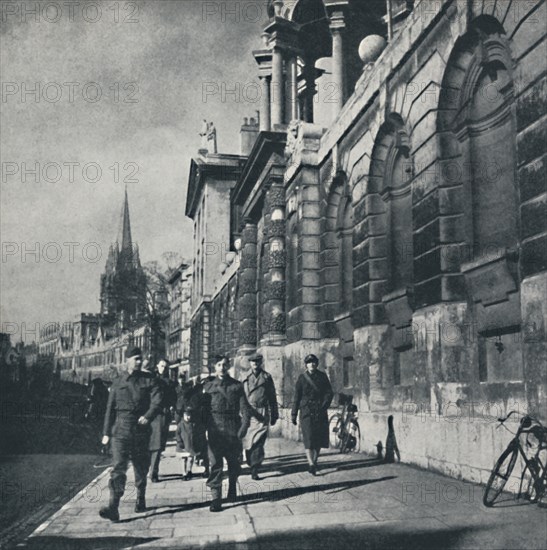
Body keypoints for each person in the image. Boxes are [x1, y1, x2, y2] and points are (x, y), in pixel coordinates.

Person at [99, 347, 162, 521]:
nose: (140, 362)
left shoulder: (150, 381)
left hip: (140, 430)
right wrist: (106, 432)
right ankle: (114, 506)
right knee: (118, 468)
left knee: (141, 467)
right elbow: (109, 409)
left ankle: (140, 497)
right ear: (127, 360)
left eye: (141, 359)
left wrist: (148, 416)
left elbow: (157, 402)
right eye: (136, 359)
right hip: (120, 430)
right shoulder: (117, 383)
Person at [202, 355, 251, 512]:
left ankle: (232, 488)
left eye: (224, 364)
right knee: (215, 464)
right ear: (214, 367)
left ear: (228, 366)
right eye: (218, 364)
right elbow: (202, 411)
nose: (222, 367)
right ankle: (216, 499)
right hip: (215, 429)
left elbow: (245, 409)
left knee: (234, 463)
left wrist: (243, 429)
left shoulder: (236, 386)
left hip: (232, 429)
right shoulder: (208, 387)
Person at [291, 354, 334, 475]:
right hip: (306, 412)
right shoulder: (302, 378)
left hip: (320, 410)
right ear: (306, 364)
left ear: (317, 364)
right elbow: (297, 397)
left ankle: (314, 461)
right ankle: (310, 463)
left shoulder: (322, 377)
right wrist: (294, 414)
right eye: (309, 362)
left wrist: (324, 405)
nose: (312, 364)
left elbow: (329, 393)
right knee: (308, 437)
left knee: (319, 439)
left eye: (314, 362)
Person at [242, 353, 279, 480]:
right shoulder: (244, 377)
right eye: (253, 362)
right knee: (249, 442)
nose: (255, 364)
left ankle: (254, 468)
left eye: (257, 362)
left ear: (260, 363)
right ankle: (250, 462)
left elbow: (272, 397)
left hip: (262, 412)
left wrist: (274, 414)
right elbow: (239, 397)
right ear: (250, 363)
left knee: (258, 442)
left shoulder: (267, 377)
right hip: (248, 412)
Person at [176, 374, 209, 480]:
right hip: (196, 423)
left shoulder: (200, 395)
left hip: (200, 423)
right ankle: (196, 469)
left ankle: (205, 468)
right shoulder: (194, 395)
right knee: (197, 448)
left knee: (202, 447)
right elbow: (180, 408)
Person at [149, 359, 177, 482]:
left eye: (166, 367)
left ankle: (154, 471)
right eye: (161, 366)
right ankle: (148, 469)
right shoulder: (151, 379)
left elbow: (174, 398)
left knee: (158, 445)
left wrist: (171, 406)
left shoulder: (170, 383)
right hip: (149, 415)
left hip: (161, 416)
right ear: (157, 366)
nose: (163, 369)